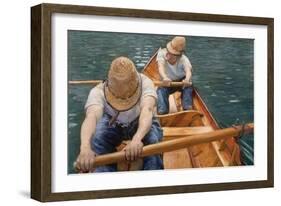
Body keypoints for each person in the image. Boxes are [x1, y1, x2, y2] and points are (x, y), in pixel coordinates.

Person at [76, 56, 163, 172]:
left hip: (140, 121)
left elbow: (147, 110)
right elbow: (91, 117)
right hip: (114, 124)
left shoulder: (146, 83)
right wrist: (85, 147)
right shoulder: (97, 91)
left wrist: (137, 139)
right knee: (97, 139)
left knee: (153, 141)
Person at [156, 36, 193, 115]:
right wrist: (165, 77)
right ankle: (162, 112)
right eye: (168, 50)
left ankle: (187, 110)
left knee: (188, 87)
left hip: (181, 81)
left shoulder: (184, 59)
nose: (168, 53)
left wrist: (187, 79)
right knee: (161, 90)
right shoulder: (161, 53)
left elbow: (188, 71)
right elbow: (160, 67)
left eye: (172, 53)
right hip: (167, 81)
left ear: (178, 55)